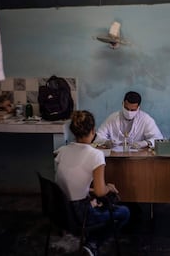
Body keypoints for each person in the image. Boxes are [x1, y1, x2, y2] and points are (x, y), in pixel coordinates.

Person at [54, 110, 130, 256]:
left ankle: (90, 240)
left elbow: (71, 181)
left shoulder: (63, 151)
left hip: (60, 210)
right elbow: (101, 191)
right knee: (124, 212)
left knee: (98, 200)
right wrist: (109, 187)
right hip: (79, 215)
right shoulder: (96, 155)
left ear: (74, 131)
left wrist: (90, 193)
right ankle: (93, 243)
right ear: (93, 130)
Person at [95, 91, 163, 149]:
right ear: (122, 104)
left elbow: (158, 139)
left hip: (138, 158)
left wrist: (145, 143)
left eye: (133, 110)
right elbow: (98, 136)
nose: (129, 112)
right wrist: (106, 142)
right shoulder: (112, 118)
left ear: (139, 108)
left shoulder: (146, 119)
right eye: (126, 108)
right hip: (115, 156)